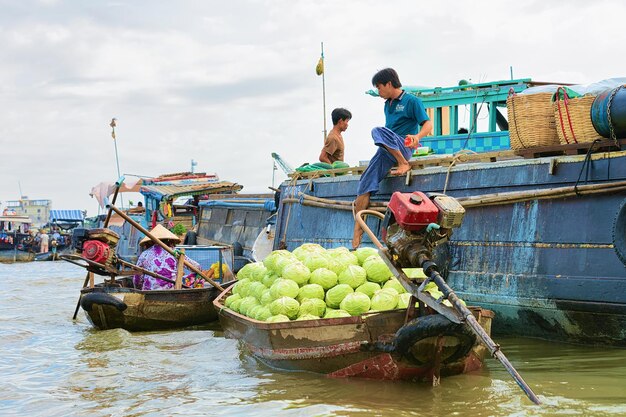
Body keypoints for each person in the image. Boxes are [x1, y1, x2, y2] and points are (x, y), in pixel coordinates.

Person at [352, 68, 433, 248]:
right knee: (363, 185)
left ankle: (403, 163)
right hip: (386, 150)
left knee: (377, 131)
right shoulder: (387, 104)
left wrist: (417, 137)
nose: (379, 92)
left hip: (402, 146)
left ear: (389, 84)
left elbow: (428, 123)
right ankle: (358, 228)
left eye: (380, 88)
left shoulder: (412, 101)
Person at [132, 224, 208, 290]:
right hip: (171, 290)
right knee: (198, 274)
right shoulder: (174, 253)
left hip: (149, 291)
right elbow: (197, 267)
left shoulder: (144, 254)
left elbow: (137, 279)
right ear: (169, 241)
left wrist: (139, 289)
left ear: (150, 242)